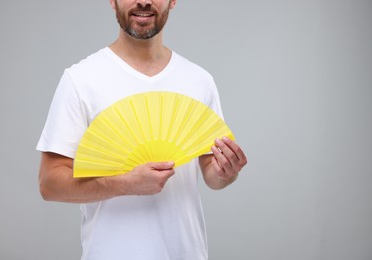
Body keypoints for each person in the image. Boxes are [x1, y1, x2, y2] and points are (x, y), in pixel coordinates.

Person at [37, 0, 247, 259]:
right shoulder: (81, 80)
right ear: (112, 1)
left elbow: (212, 176)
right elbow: (49, 185)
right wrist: (125, 184)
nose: (144, 1)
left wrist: (226, 171)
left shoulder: (199, 80)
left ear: (173, 1)